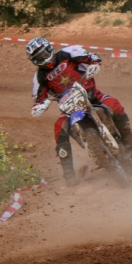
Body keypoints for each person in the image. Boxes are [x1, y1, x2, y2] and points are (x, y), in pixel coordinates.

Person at [26, 36, 132, 186]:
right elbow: (38, 99)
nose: (43, 58)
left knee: (114, 104)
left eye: (44, 53)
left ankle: (129, 142)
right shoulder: (39, 77)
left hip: (90, 94)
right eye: (39, 57)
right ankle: (69, 175)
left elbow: (91, 56)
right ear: (34, 61)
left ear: (49, 48)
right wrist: (39, 106)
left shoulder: (67, 52)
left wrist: (94, 64)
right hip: (69, 106)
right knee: (59, 129)